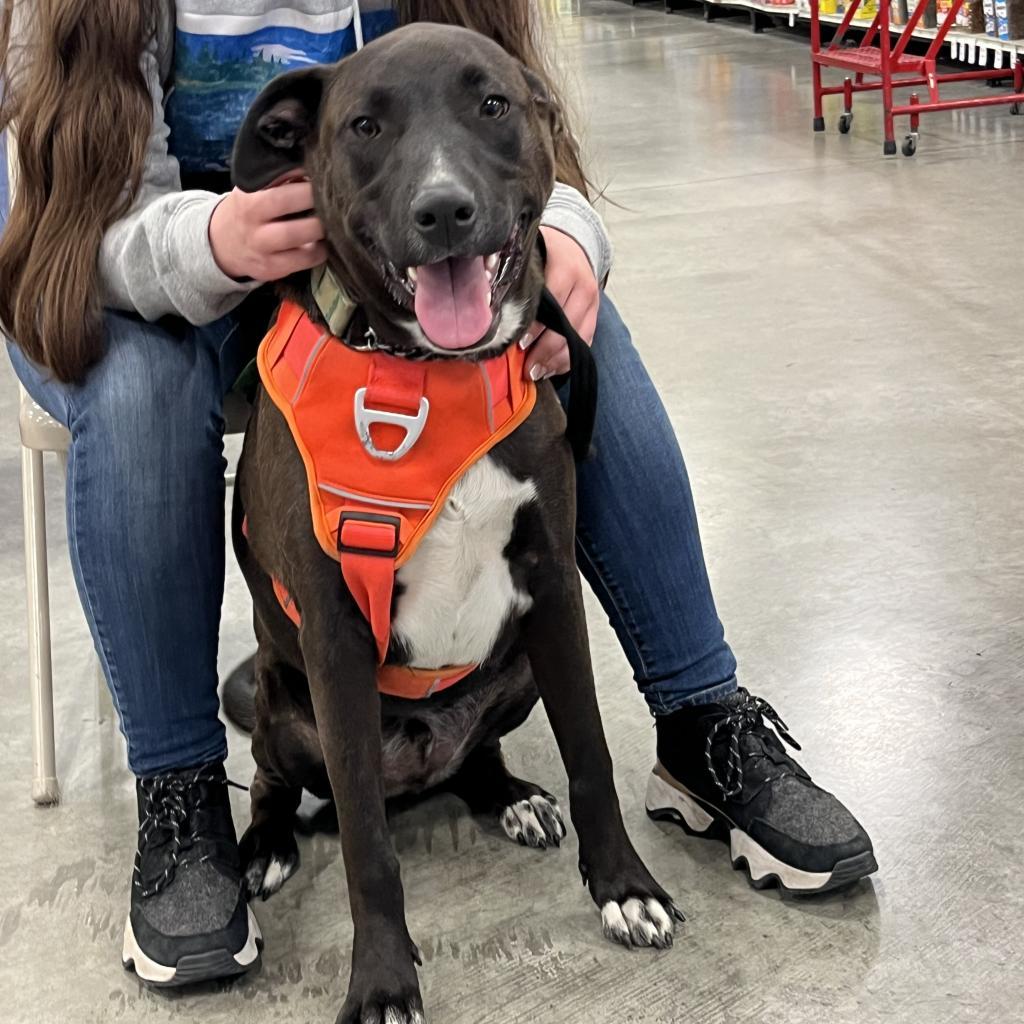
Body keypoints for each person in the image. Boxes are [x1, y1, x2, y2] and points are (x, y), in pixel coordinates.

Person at [0, 0, 875, 988]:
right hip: (137, 281)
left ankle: (700, 720)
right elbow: (64, 227)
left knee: (583, 337)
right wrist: (217, 242)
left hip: (368, 270)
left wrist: (572, 250)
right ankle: (181, 793)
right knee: (139, 390)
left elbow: (537, 155)